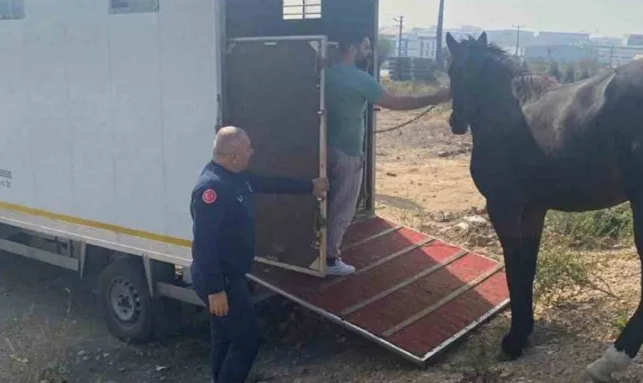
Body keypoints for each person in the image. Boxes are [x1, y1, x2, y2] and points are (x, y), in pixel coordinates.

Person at [189, 126, 328, 383]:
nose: (252, 152)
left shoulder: (236, 177)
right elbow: (204, 244)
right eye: (247, 149)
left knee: (224, 337)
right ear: (233, 156)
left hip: (231, 277)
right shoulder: (213, 189)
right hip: (223, 281)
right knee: (247, 341)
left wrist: (310, 186)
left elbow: (269, 183)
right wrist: (215, 289)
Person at [324, 32, 452, 276]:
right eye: (365, 46)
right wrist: (437, 96)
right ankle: (330, 260)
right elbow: (397, 103)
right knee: (342, 206)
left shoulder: (326, 74)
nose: (369, 52)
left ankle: (316, 251)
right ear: (352, 47)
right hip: (348, 150)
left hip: (322, 147)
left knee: (323, 201)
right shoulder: (361, 79)